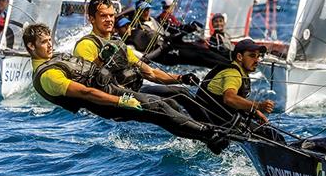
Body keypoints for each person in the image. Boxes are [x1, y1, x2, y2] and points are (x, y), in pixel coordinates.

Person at [25, 23, 229, 154]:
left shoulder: (57, 58)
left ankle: (209, 132)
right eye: (44, 42)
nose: (50, 44)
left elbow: (89, 73)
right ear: (31, 47)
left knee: (165, 105)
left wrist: (180, 78)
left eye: (50, 39)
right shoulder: (48, 75)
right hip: (106, 102)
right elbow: (86, 92)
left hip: (111, 90)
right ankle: (209, 135)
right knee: (157, 107)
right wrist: (119, 101)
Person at [74, 0, 201, 114]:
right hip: (113, 101)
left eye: (111, 15)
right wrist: (101, 59)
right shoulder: (85, 45)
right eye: (103, 16)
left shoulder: (120, 45)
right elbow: (86, 85)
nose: (109, 20)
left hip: (133, 91)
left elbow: (150, 73)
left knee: (181, 93)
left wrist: (181, 78)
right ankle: (204, 132)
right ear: (91, 19)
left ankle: (211, 126)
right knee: (168, 104)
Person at [194, 38, 283, 143]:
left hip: (219, 121)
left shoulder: (242, 73)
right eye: (252, 56)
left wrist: (255, 112)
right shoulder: (233, 73)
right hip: (210, 123)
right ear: (240, 57)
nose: (257, 60)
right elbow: (229, 98)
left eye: (258, 56)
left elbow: (237, 101)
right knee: (273, 137)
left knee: (272, 135)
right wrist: (258, 106)